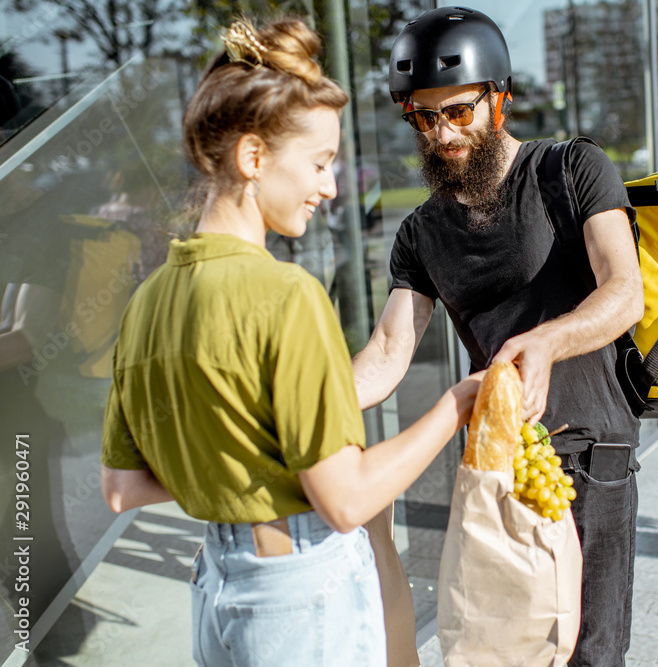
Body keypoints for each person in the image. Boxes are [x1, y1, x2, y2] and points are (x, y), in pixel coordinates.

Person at [99, 17, 482, 667]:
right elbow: (348, 499)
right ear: (253, 158)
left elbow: (121, 488)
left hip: (215, 583)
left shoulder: (146, 303)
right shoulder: (287, 295)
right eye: (320, 162)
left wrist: (236, 468)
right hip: (299, 596)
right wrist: (458, 402)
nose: (331, 186)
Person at [351, 7, 644, 666]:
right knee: (506, 648)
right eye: (421, 117)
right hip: (497, 460)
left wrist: (546, 340)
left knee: (587, 653)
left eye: (456, 111)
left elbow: (624, 290)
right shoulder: (420, 232)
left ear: (500, 98)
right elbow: (389, 353)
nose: (440, 133)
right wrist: (301, 400)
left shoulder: (571, 170)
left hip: (589, 457)